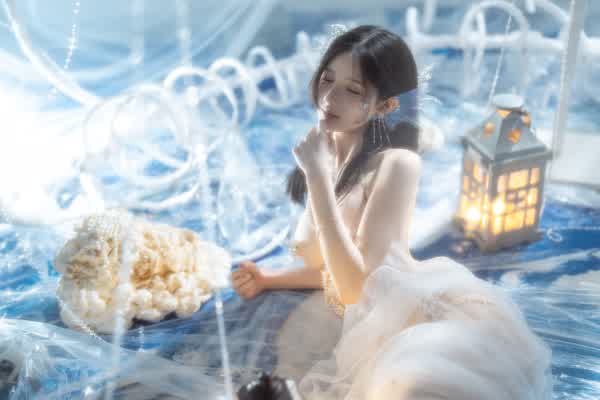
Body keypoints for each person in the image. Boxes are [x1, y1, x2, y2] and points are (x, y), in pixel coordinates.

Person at [230, 25, 552, 399]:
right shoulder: (326, 153)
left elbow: (358, 286)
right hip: (364, 322)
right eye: (327, 79)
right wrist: (268, 279)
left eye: (353, 90)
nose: (329, 98)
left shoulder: (397, 164)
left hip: (410, 319)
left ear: (385, 105)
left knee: (410, 387)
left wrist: (317, 178)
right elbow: (336, 267)